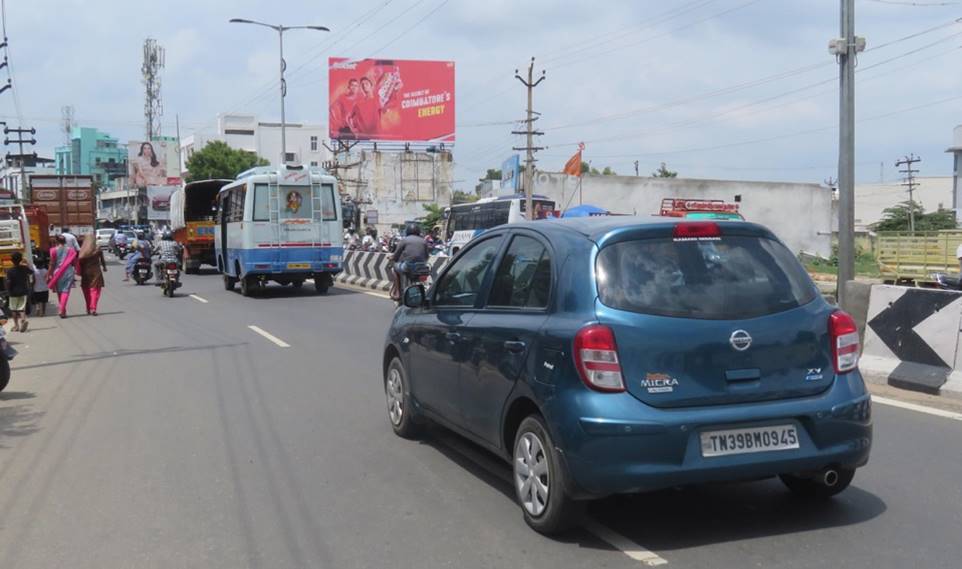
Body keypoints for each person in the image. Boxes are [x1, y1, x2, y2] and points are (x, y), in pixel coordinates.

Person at [390, 223, 429, 300]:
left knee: (394, 269)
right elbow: (426, 256)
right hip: (422, 267)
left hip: (408, 266)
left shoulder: (404, 240)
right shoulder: (424, 241)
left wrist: (392, 258)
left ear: (408, 231)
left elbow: (396, 255)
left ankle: (398, 293)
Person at [47, 235, 78, 318]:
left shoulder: (53, 250)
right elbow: (75, 262)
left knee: (60, 292)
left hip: (57, 273)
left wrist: (49, 274)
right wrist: (77, 271)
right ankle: (62, 310)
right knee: (65, 291)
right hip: (68, 272)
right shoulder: (71, 250)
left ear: (57, 241)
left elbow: (52, 264)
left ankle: (62, 310)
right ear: (65, 241)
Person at [78, 232, 107, 315]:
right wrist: (104, 268)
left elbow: (79, 262)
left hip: (85, 272)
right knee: (95, 290)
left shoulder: (82, 250)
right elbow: (102, 260)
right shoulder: (98, 248)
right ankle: (93, 308)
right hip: (96, 272)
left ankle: (88, 308)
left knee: (86, 291)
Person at [5, 252, 31, 332]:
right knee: (21, 308)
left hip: (13, 292)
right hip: (23, 291)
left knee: (13, 309)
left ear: (12, 260)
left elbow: (9, 282)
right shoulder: (24, 268)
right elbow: (31, 272)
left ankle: (16, 326)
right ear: (20, 259)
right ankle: (23, 320)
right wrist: (27, 264)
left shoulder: (10, 271)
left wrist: (8, 290)